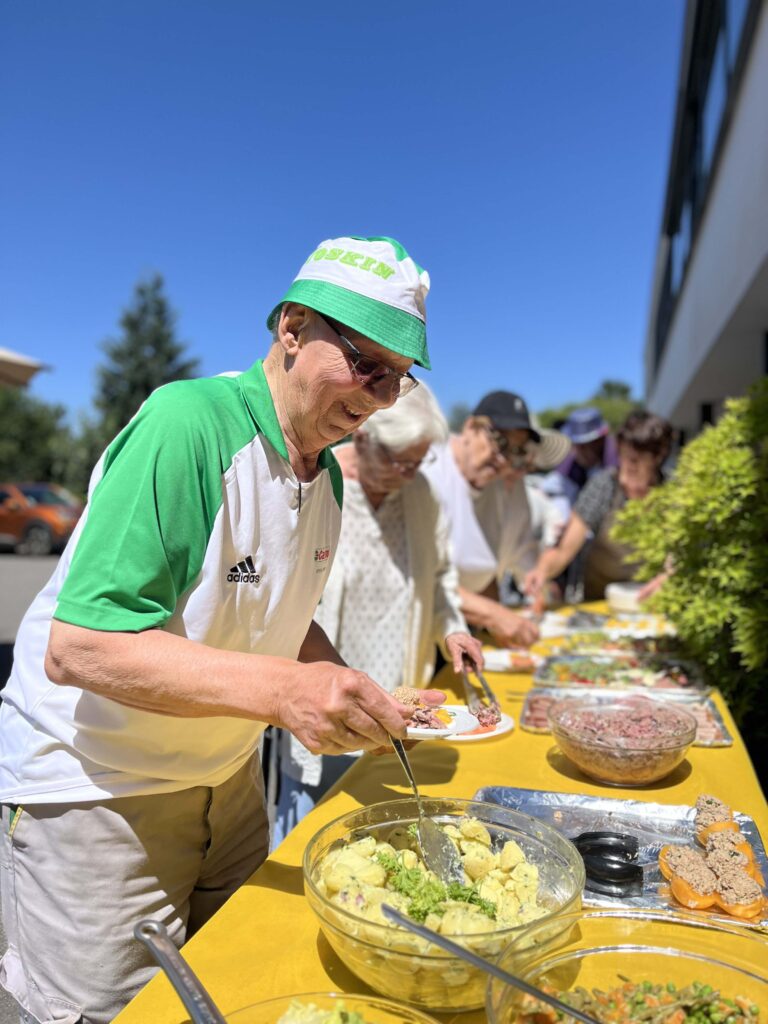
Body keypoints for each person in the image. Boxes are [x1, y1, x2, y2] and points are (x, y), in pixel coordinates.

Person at [0, 234, 436, 1024]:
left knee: (245, 985)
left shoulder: (326, 477)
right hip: (101, 792)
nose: (378, 396)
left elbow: (283, 620)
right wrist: (284, 694)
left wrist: (356, 692)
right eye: (365, 364)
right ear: (293, 328)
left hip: (227, 782)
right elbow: (82, 646)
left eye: (397, 377)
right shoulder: (189, 424)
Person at [273, 382, 483, 846]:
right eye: (397, 461)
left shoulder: (421, 495)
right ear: (364, 435)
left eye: (416, 463)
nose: (406, 475)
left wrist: (453, 630)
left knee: (387, 842)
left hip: (398, 704)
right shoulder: (317, 485)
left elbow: (439, 579)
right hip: (323, 697)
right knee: (313, 838)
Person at [421, 391, 570, 647]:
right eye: (499, 441)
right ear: (470, 427)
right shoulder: (428, 472)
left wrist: (498, 619)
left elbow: (485, 567)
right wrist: (494, 615)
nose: (503, 459)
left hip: (462, 632)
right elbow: (424, 578)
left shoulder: (498, 482)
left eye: (515, 451)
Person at [524, 410, 673, 603]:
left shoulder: (672, 491)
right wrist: (542, 571)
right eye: (622, 457)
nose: (626, 471)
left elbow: (680, 555)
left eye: (635, 461)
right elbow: (564, 549)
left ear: (657, 458)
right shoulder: (604, 485)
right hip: (600, 597)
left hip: (650, 599)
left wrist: (669, 576)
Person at [556, 407, 619, 506]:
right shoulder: (568, 465)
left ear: (601, 440)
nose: (580, 450)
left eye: (586, 444)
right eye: (577, 445)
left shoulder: (617, 455)